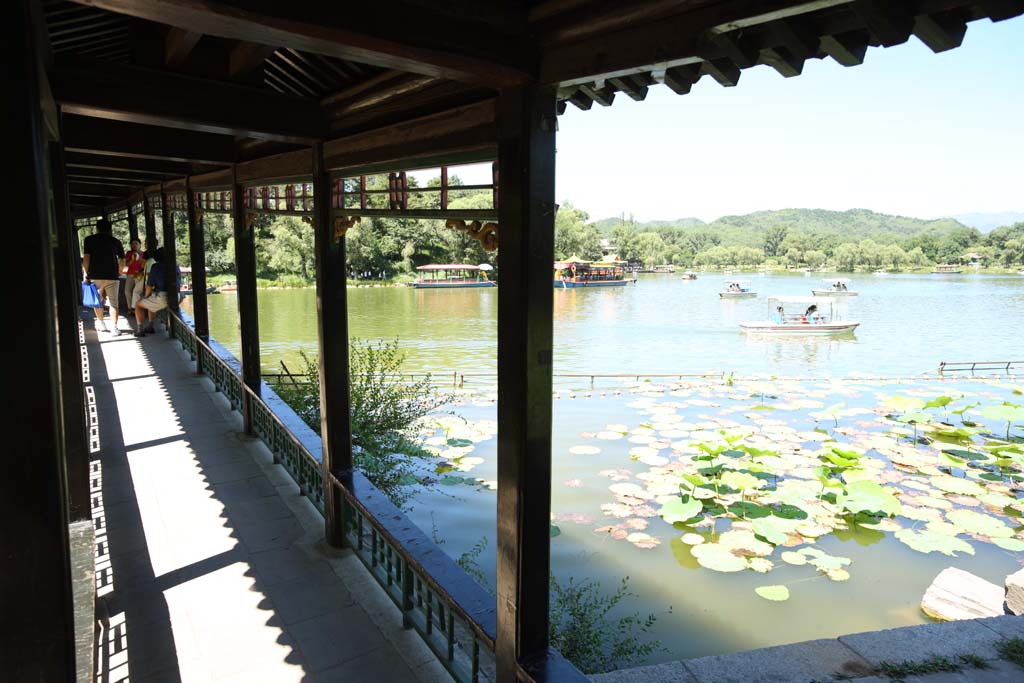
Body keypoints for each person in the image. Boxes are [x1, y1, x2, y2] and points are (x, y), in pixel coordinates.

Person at [82, 218, 125, 335]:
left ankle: (101, 323)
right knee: (113, 303)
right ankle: (114, 328)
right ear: (110, 229)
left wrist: (85, 273)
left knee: (97, 301)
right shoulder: (116, 241)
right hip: (112, 275)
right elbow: (122, 259)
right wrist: (120, 271)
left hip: (95, 275)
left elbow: (86, 258)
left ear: (97, 228)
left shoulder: (89, 240)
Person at [133, 247, 178, 337]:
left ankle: (140, 330)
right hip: (178, 296)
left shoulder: (156, 266)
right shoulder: (176, 266)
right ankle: (150, 326)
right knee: (151, 300)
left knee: (138, 304)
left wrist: (145, 297)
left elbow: (149, 285)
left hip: (163, 297)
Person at [123, 238, 145, 308]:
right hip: (130, 274)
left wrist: (139, 259)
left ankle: (138, 308)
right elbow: (126, 264)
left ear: (140, 245)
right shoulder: (129, 253)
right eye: (132, 244)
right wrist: (132, 259)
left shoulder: (144, 254)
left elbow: (144, 265)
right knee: (127, 291)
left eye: (136, 243)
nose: (134, 245)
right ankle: (130, 308)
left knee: (137, 292)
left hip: (140, 275)